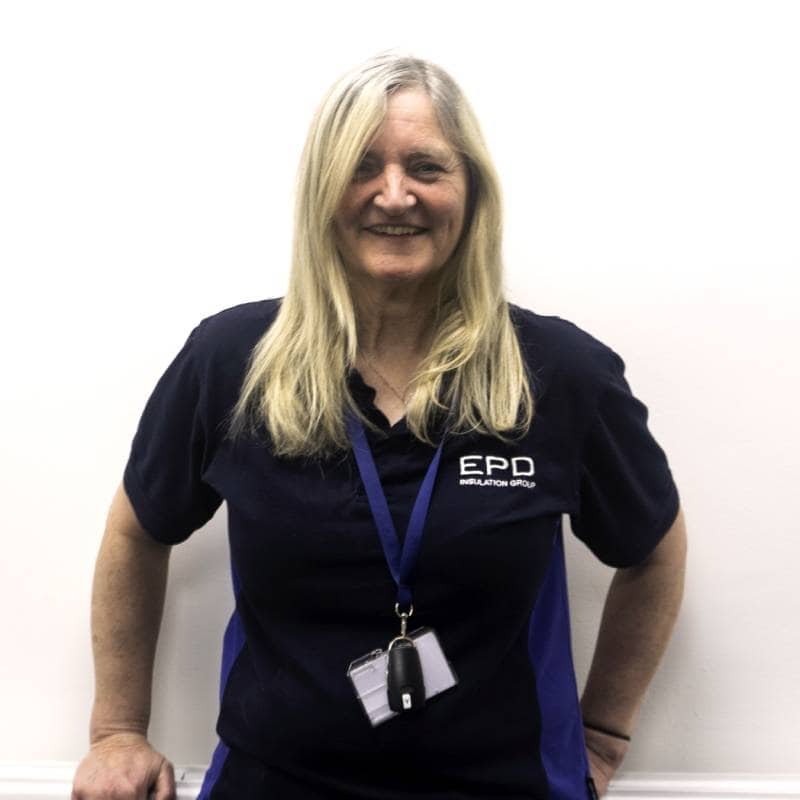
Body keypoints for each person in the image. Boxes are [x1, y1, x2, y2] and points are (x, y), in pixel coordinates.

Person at [72, 51, 687, 800]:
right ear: (321, 191)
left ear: (472, 191)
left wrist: (603, 735)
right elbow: (139, 530)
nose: (394, 196)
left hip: (505, 786)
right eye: (363, 166)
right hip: (274, 785)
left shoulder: (560, 373)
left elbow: (652, 550)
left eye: (426, 167)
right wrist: (115, 733)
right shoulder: (232, 361)